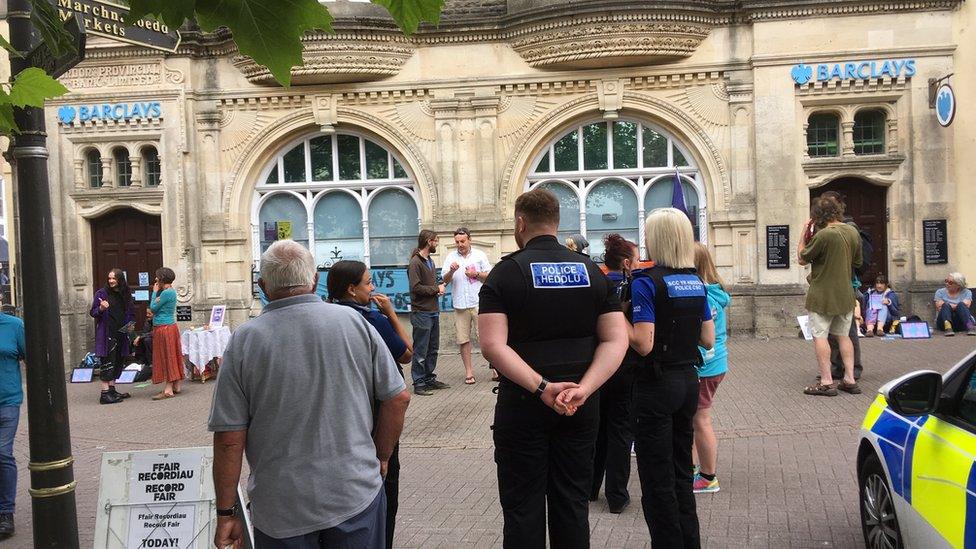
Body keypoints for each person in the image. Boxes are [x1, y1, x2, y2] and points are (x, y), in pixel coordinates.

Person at [210, 240, 411, 549]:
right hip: (354, 492)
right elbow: (398, 398)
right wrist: (381, 456)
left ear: (263, 285)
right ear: (314, 279)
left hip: (280, 507)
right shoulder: (355, 323)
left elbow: (229, 438)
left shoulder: (244, 341)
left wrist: (226, 514)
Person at [479, 188, 628, 549]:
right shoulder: (593, 272)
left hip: (524, 404)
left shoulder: (505, 274)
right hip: (580, 405)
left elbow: (492, 344)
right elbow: (615, 340)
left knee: (523, 509)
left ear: (520, 223)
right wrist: (586, 388)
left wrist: (542, 387)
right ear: (557, 222)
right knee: (572, 504)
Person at [627, 208, 715, 548]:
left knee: (656, 478)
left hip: (654, 386)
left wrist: (619, 321)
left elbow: (644, 344)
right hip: (687, 382)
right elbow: (708, 339)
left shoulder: (646, 282)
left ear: (656, 239)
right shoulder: (696, 282)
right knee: (681, 470)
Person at [327, 260, 413, 549]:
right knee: (384, 483)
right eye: (367, 282)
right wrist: (391, 313)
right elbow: (406, 354)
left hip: (342, 412)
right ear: (352, 289)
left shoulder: (327, 317)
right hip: (378, 412)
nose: (373, 287)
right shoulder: (372, 320)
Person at [590, 233, 640, 513]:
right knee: (621, 430)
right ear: (625, 262)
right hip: (624, 364)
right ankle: (617, 496)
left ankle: (590, 488)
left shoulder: (596, 282)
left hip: (597, 365)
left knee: (598, 428)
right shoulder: (631, 285)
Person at [798, 196, 862, 396]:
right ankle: (850, 379)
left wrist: (803, 233)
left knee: (820, 336)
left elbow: (801, 258)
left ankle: (826, 381)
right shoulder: (852, 231)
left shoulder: (824, 235)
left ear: (817, 216)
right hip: (845, 293)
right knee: (844, 336)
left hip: (822, 295)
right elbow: (858, 262)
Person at [691, 243, 730, 495]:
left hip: (704, 366)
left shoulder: (702, 296)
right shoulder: (715, 291)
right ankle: (695, 469)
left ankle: (707, 477)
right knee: (695, 420)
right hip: (715, 364)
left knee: (701, 420)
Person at [821, 191, 866, 380]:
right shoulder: (824, 229)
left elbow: (858, 262)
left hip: (846, 284)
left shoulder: (849, 229)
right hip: (828, 286)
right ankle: (837, 366)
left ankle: (853, 368)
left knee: (847, 330)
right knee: (832, 331)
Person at [441, 227, 491, 385]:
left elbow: (489, 276)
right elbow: (445, 279)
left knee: (486, 339)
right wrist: (451, 271)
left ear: (469, 239)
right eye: (457, 242)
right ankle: (469, 372)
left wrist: (475, 274)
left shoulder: (479, 255)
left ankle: (496, 368)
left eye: (462, 241)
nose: (460, 244)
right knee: (463, 340)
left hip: (478, 303)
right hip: (460, 304)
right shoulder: (450, 257)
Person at [408, 229, 447, 396]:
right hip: (421, 312)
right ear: (428, 241)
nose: (437, 244)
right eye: (435, 241)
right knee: (421, 349)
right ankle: (418, 382)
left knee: (432, 348)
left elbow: (431, 284)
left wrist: (438, 287)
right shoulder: (415, 263)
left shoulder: (429, 260)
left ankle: (429, 378)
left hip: (433, 311)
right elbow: (415, 288)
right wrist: (435, 289)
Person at [89, 268, 135, 404]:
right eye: (109, 278)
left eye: (114, 278)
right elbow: (93, 312)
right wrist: (101, 308)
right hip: (107, 333)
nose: (111, 281)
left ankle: (112, 389)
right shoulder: (101, 293)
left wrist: (130, 331)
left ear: (120, 280)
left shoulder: (125, 294)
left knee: (118, 361)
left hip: (122, 332)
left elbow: (131, 313)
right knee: (107, 361)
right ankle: (104, 394)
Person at [0, 303, 24, 538]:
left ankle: (6, 512)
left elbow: (32, 359)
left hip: (7, 400)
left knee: (2, 453)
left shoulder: (15, 326)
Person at [149, 267, 184, 400]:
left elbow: (153, 308)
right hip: (170, 327)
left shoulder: (165, 293)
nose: (156, 279)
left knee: (166, 356)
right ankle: (176, 384)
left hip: (163, 328)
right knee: (173, 354)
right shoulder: (170, 292)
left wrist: (154, 293)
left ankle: (168, 389)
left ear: (162, 279)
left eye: (157, 277)